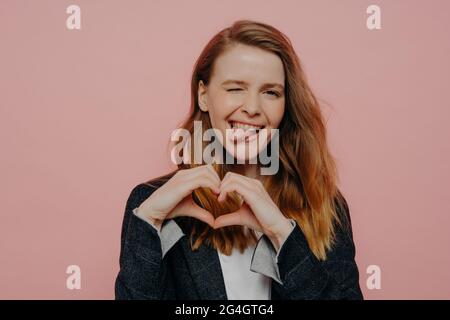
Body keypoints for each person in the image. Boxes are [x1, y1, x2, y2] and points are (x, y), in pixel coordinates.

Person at [115, 20, 363, 300]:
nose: (253, 108)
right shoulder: (149, 203)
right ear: (204, 96)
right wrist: (149, 222)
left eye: (271, 92)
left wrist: (283, 234)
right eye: (235, 88)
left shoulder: (325, 205)